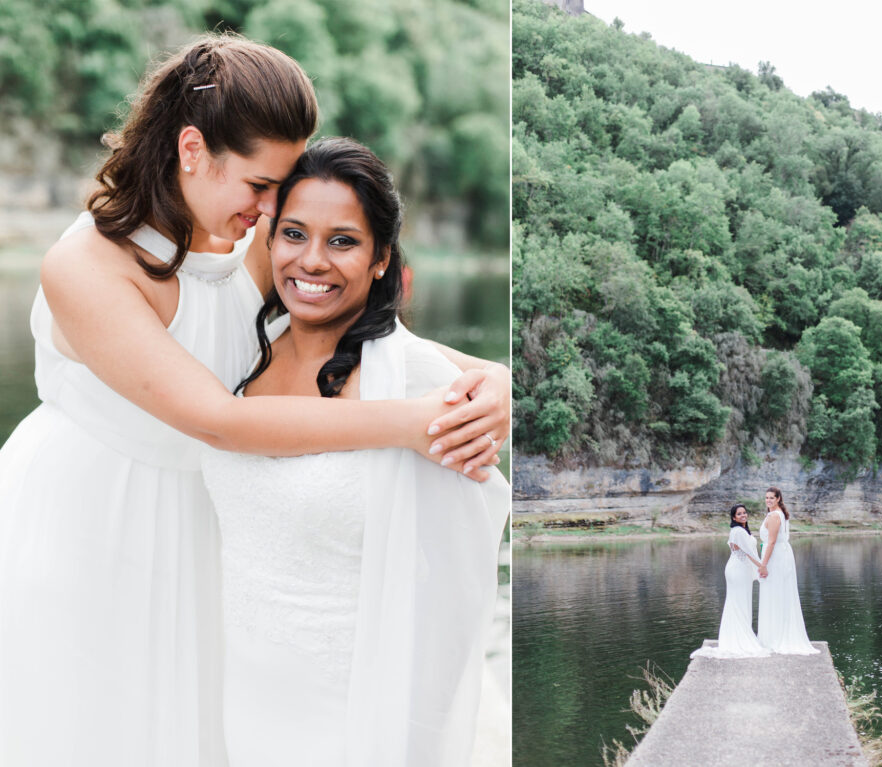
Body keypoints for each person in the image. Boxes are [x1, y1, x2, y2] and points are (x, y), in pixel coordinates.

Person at [0, 35, 508, 767]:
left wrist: (492, 379)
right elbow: (220, 418)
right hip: (93, 524)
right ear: (192, 150)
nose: (274, 210)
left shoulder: (259, 240)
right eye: (260, 185)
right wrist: (412, 424)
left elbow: (382, 337)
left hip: (217, 518)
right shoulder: (84, 267)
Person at [200, 137, 509, 766]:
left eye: (343, 241)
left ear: (379, 259)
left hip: (353, 711)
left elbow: (457, 582)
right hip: (244, 695)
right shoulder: (238, 354)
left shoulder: (416, 380)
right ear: (269, 239)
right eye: (293, 234)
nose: (312, 261)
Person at [690, 504, 770, 659]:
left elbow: (749, 551)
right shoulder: (738, 531)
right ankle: (738, 638)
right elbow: (749, 553)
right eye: (739, 514)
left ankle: (738, 634)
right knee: (738, 602)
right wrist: (762, 567)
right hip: (738, 570)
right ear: (734, 517)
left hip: (742, 570)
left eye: (745, 513)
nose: (743, 515)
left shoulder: (741, 530)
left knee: (741, 602)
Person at [756, 487, 818, 655]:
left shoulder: (775, 516)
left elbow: (771, 542)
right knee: (778, 594)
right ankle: (774, 634)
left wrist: (763, 565)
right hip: (781, 556)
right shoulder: (778, 513)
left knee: (775, 594)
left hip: (776, 558)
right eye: (766, 497)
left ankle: (774, 637)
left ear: (778, 499)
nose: (768, 500)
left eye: (771, 498)